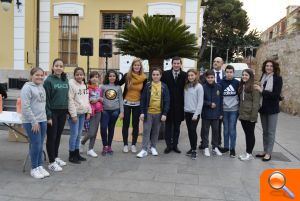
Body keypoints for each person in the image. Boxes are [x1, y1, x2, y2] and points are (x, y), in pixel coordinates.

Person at [21, 67, 49, 179]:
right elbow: (25, 107)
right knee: (36, 144)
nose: (40, 77)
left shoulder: (41, 87)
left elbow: (42, 104)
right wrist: (34, 121)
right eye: (37, 75)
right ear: (31, 76)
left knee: (40, 144)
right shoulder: (27, 88)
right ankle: (34, 168)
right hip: (32, 121)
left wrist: (45, 118)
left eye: (41, 75)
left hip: (42, 120)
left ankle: (40, 166)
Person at [137, 68, 170, 158]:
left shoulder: (164, 86)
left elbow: (167, 101)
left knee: (156, 131)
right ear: (151, 76)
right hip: (148, 113)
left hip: (159, 113)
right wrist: (142, 112)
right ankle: (144, 149)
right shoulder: (148, 85)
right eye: (154, 75)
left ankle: (153, 147)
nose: (155, 76)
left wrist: (165, 113)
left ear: (160, 76)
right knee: (146, 131)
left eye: (157, 74)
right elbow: (143, 99)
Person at [254, 60, 283, 162]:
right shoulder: (263, 77)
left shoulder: (277, 79)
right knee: (265, 132)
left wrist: (262, 90)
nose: (269, 67)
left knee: (270, 132)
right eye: (267, 66)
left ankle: (269, 153)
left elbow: (275, 95)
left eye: (271, 66)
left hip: (272, 109)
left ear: (274, 67)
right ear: (264, 67)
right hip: (263, 108)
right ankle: (265, 150)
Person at [44, 58, 69, 172]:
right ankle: (51, 162)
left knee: (58, 136)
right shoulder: (48, 81)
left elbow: (66, 97)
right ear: (53, 67)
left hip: (63, 112)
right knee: (51, 137)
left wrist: (67, 111)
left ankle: (56, 157)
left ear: (63, 68)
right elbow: (46, 100)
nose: (59, 68)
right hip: (52, 112)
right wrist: (48, 116)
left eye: (61, 66)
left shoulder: (65, 80)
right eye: (57, 66)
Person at [119, 59, 147, 153]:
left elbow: (145, 92)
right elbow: (118, 84)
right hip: (126, 103)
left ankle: (133, 145)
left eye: (138, 65)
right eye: (135, 65)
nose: (137, 67)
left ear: (140, 67)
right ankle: (125, 145)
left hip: (138, 104)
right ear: (132, 66)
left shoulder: (144, 78)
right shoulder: (127, 76)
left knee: (135, 125)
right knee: (125, 125)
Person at [162, 56, 187, 154]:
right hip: (168, 106)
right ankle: (168, 146)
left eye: (178, 63)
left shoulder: (185, 75)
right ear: (172, 64)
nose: (176, 65)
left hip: (179, 107)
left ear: (181, 64)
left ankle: (175, 146)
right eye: (174, 63)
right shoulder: (165, 74)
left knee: (177, 128)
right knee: (168, 127)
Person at [68, 67, 92, 164]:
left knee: (79, 135)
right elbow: (70, 100)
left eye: (81, 74)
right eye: (77, 74)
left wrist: (89, 111)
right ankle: (72, 155)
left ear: (84, 76)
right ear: (74, 75)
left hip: (83, 113)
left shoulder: (84, 85)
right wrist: (73, 115)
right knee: (74, 135)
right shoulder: (71, 84)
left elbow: (87, 99)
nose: (79, 76)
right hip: (75, 114)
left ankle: (77, 153)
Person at [238, 69, 260, 161]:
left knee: (250, 135)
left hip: (250, 116)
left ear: (250, 76)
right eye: (243, 75)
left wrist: (253, 117)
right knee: (247, 134)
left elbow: (256, 104)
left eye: (246, 75)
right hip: (243, 115)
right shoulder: (242, 86)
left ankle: (249, 154)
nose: (244, 76)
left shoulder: (254, 88)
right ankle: (248, 152)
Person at [100, 70, 124, 156]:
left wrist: (121, 112)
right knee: (103, 127)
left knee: (111, 128)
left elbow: (121, 100)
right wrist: (100, 107)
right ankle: (104, 145)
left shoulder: (118, 87)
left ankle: (109, 146)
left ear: (116, 77)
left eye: (114, 76)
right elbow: (99, 98)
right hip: (105, 111)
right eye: (110, 76)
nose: (112, 77)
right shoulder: (102, 87)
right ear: (107, 77)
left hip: (115, 110)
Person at [200, 70, 223, 157]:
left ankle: (215, 147)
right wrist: (209, 104)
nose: (210, 79)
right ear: (206, 78)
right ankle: (205, 147)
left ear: (214, 78)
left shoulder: (218, 87)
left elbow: (221, 101)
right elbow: (201, 100)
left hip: (216, 114)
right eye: (208, 78)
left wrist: (221, 113)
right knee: (205, 131)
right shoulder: (203, 87)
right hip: (206, 114)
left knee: (216, 131)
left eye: (212, 77)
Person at [81, 71, 103, 158]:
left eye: (96, 77)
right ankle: (82, 142)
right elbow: (85, 100)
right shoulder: (86, 88)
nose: (95, 78)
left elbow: (101, 99)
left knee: (95, 131)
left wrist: (99, 99)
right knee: (91, 132)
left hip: (98, 111)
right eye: (93, 77)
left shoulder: (99, 89)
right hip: (90, 112)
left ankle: (90, 149)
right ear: (89, 78)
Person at [219, 65, 240, 157]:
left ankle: (232, 149)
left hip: (234, 110)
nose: (229, 74)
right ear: (225, 72)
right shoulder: (221, 82)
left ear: (233, 72)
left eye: (231, 72)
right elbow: (219, 97)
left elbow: (240, 96)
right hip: (224, 110)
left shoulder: (237, 83)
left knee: (232, 129)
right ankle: (226, 147)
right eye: (227, 72)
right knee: (226, 130)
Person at [184, 69, 204, 160]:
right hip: (187, 112)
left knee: (192, 130)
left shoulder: (199, 87)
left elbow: (200, 102)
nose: (190, 77)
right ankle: (192, 148)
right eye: (189, 75)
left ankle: (194, 150)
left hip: (194, 113)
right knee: (189, 131)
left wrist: (196, 114)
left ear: (196, 76)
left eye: (192, 75)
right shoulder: (186, 86)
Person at [212, 57, 225, 149]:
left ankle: (217, 143)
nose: (215, 63)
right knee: (206, 126)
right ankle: (203, 143)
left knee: (218, 126)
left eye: (217, 61)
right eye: (214, 61)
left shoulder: (226, 74)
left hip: (222, 105)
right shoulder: (207, 74)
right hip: (210, 104)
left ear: (222, 63)